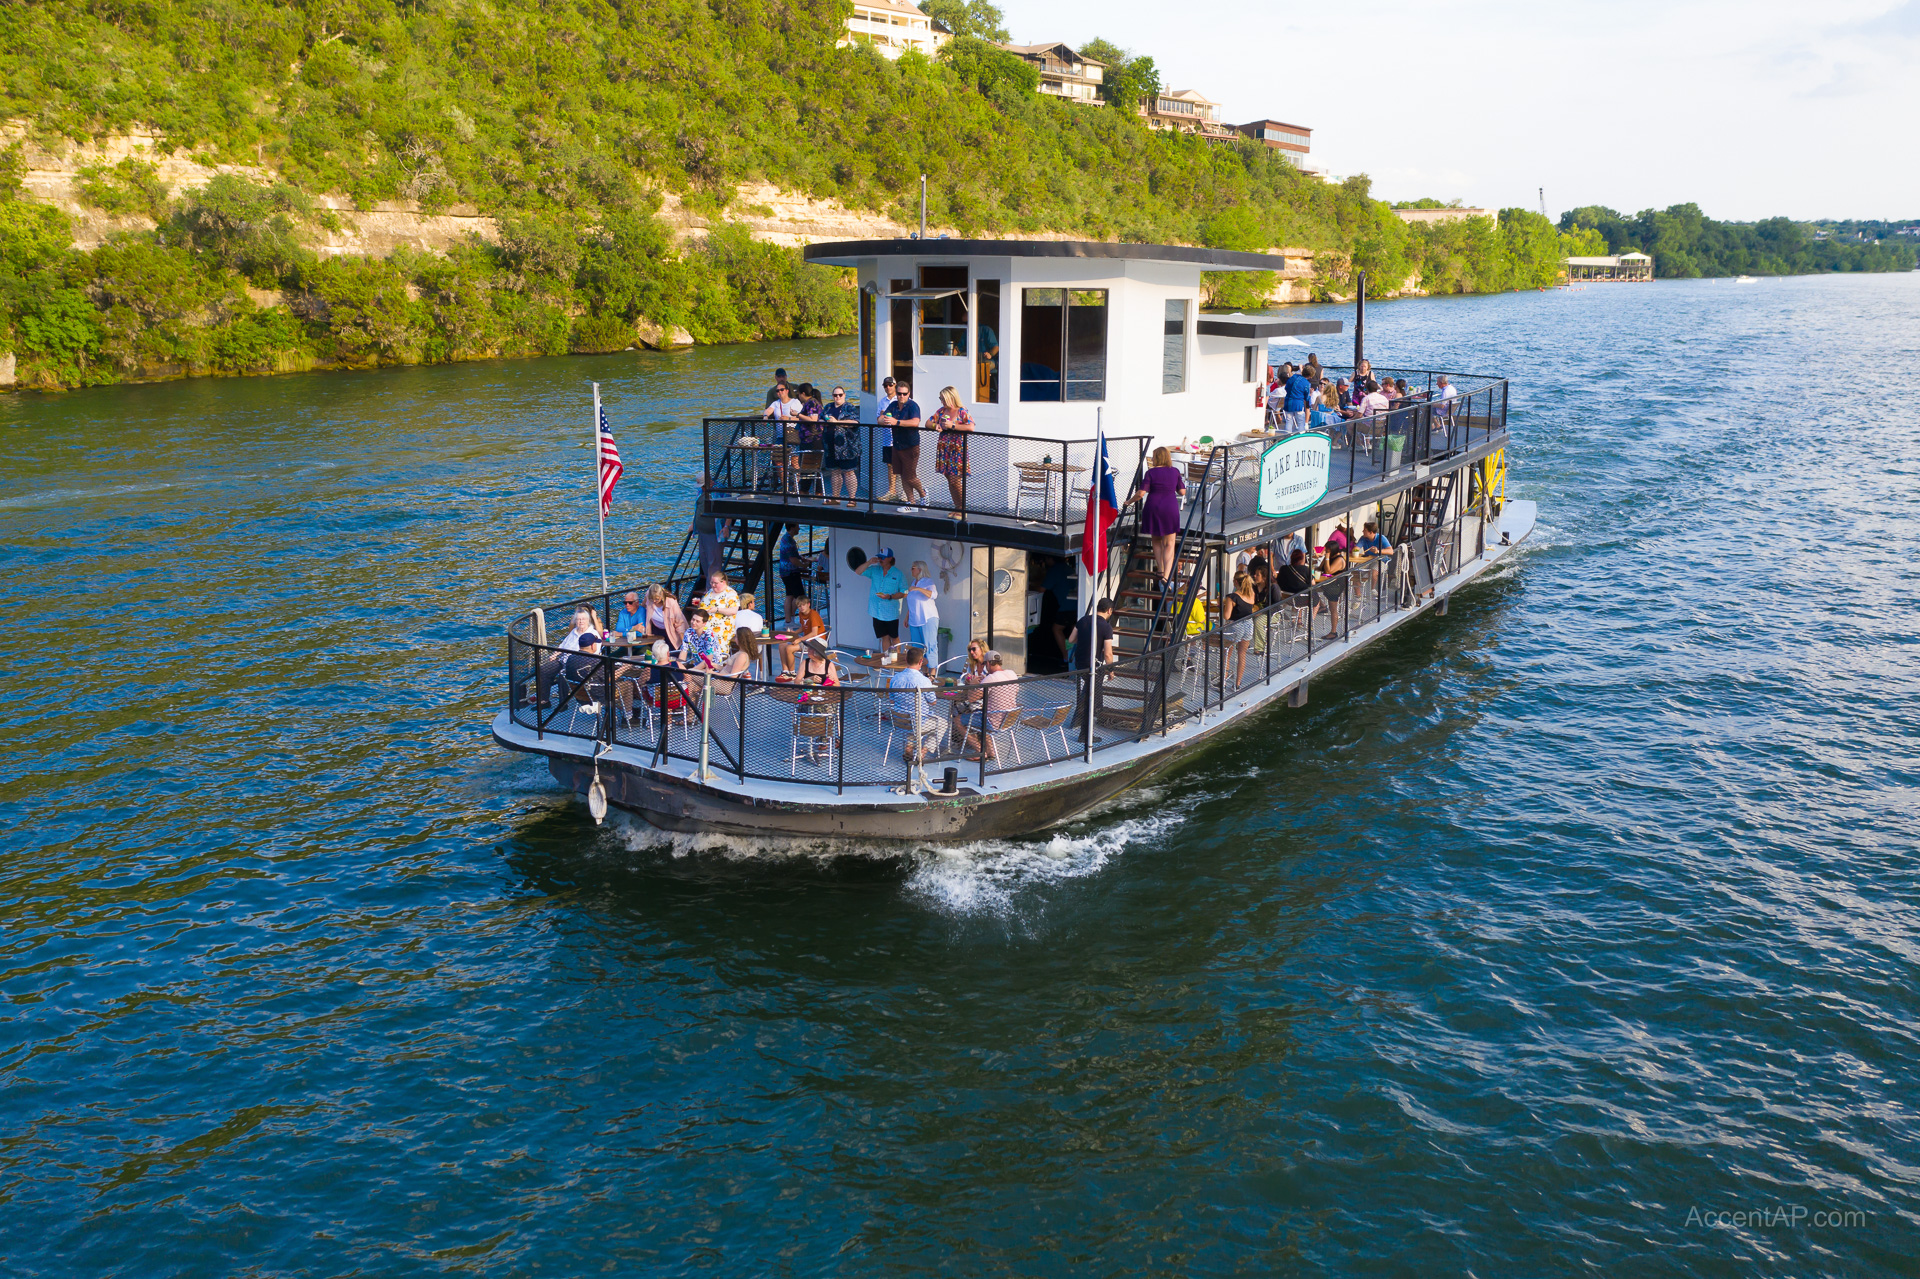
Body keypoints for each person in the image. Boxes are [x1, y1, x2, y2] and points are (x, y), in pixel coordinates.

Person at [1124, 445, 1186, 583]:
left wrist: (1129, 501)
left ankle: (1160, 570)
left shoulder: (1150, 473)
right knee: (1169, 543)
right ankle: (1166, 576)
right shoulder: (1175, 471)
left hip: (1153, 508)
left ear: (1156, 458)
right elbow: (1182, 492)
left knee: (1156, 540)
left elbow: (1141, 493)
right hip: (1170, 508)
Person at [1068, 597, 1116, 740]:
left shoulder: (1083, 620)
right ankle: (1085, 734)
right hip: (1094, 667)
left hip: (1080, 664)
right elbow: (1108, 653)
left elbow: (1071, 640)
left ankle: (1086, 726)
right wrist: (1111, 670)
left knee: (1088, 694)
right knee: (1090, 698)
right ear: (1109, 610)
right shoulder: (1106, 627)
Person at [963, 649, 1021, 762]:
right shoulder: (1012, 674)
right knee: (983, 713)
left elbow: (971, 698)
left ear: (988, 663)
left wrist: (973, 684)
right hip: (1009, 719)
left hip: (993, 722)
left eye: (985, 664)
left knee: (958, 720)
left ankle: (981, 751)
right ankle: (991, 752)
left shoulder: (992, 678)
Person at [887, 647, 940, 763]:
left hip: (900, 721)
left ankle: (910, 746)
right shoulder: (924, 681)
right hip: (917, 722)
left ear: (906, 659)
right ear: (921, 662)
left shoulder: (895, 679)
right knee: (942, 723)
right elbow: (933, 702)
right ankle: (923, 751)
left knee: (912, 719)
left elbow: (892, 700)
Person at [929, 386, 974, 517]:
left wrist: (952, 426)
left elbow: (971, 427)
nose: (941, 401)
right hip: (945, 447)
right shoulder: (941, 411)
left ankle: (963, 509)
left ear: (950, 398)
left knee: (955, 479)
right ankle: (957, 507)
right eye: (940, 398)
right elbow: (928, 422)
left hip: (957, 449)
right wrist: (935, 425)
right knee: (949, 478)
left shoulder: (962, 411)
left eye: (942, 398)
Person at [879, 381, 924, 509]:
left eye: (904, 394)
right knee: (903, 475)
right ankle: (911, 503)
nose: (902, 396)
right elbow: (881, 419)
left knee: (910, 476)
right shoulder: (893, 405)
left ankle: (923, 493)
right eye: (899, 393)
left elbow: (915, 422)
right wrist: (884, 419)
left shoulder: (913, 406)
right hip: (897, 445)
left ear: (908, 394)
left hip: (910, 446)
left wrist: (896, 422)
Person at [859, 546, 907, 655]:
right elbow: (858, 571)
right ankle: (887, 660)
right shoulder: (875, 570)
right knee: (884, 637)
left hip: (891, 612)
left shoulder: (898, 574)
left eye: (883, 558)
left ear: (890, 558)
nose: (880, 560)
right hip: (876, 611)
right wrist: (869, 562)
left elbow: (905, 593)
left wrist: (890, 596)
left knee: (894, 638)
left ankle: (897, 660)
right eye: (879, 557)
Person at [822, 386, 861, 504]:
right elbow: (820, 417)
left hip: (847, 447)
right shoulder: (828, 407)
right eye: (835, 395)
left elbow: (855, 422)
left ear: (844, 395)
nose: (837, 397)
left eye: (840, 395)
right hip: (830, 446)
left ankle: (852, 499)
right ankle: (835, 498)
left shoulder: (849, 407)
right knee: (834, 471)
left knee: (849, 472)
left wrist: (837, 422)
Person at [777, 596, 827, 675]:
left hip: (815, 642)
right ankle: (785, 671)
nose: (802, 607)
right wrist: (794, 633)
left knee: (789, 648)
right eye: (799, 606)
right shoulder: (801, 614)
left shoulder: (813, 615)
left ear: (808, 604)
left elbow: (814, 633)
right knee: (782, 645)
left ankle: (792, 672)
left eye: (803, 605)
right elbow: (803, 627)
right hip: (807, 639)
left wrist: (800, 639)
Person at [1223, 569, 1257, 686]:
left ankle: (1224, 680)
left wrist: (1222, 606)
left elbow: (1227, 616)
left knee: (1227, 653)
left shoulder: (1232, 597)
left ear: (1236, 582)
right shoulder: (1252, 595)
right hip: (1248, 625)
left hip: (1235, 626)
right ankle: (1237, 683)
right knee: (1242, 654)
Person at [775, 522, 810, 628]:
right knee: (799, 596)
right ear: (793, 527)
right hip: (791, 572)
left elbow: (793, 555)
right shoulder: (789, 541)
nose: (799, 528)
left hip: (784, 571)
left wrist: (801, 558)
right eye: (797, 526)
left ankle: (788, 621)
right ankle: (792, 617)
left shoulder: (785, 538)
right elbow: (793, 559)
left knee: (789, 595)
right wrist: (803, 565)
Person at [905, 561, 940, 658]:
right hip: (914, 620)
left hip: (927, 618)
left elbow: (933, 595)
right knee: (916, 648)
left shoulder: (928, 581)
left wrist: (918, 589)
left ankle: (932, 672)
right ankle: (922, 671)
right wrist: (907, 617)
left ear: (919, 570)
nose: (911, 570)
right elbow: (913, 602)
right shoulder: (913, 582)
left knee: (929, 646)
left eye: (913, 568)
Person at [876, 376, 901, 502]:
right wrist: (884, 418)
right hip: (887, 438)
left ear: (895, 385)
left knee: (902, 465)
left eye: (890, 385)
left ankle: (905, 493)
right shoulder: (882, 401)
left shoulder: (902, 399)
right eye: (885, 385)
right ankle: (892, 491)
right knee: (890, 465)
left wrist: (885, 416)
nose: (888, 387)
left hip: (900, 438)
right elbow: (879, 420)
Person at [1319, 542, 1349, 639]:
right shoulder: (1328, 557)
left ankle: (1333, 631)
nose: (1325, 551)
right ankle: (1322, 605)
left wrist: (1327, 557)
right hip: (1326, 583)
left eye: (1327, 550)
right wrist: (1317, 559)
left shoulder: (1339, 559)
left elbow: (1328, 571)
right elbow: (1320, 568)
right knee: (1310, 590)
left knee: (1333, 609)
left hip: (1335, 586)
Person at [1281, 361, 1313, 433]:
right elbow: (1306, 396)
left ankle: (1287, 436)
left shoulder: (1293, 377)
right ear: (1310, 376)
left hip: (1288, 401)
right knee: (1301, 422)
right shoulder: (1306, 383)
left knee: (1289, 421)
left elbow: (1286, 388)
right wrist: (1309, 396)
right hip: (1298, 403)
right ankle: (1300, 437)